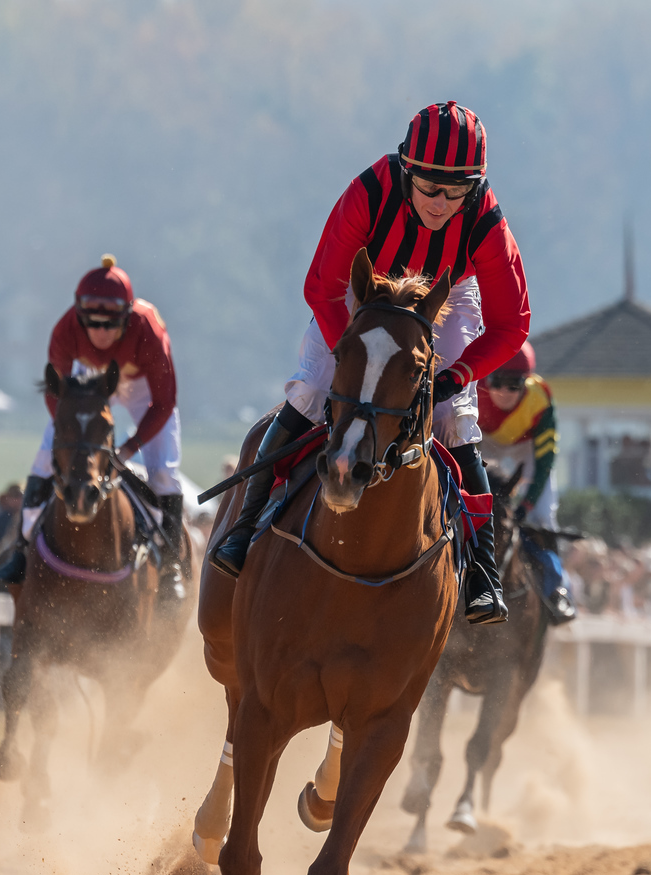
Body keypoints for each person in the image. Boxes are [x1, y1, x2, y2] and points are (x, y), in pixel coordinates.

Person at [211, 101, 530, 625]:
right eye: (429, 187)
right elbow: (322, 286)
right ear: (407, 170)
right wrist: (347, 357)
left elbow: (512, 323)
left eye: (457, 191)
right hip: (366, 290)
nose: (441, 202)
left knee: (455, 419)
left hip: (446, 296)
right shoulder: (370, 191)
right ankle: (243, 528)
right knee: (312, 390)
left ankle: (483, 575)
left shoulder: (486, 221)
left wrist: (456, 376)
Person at [0, 255, 187, 588]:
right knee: (43, 459)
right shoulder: (65, 329)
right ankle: (22, 550)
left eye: (110, 324)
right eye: (92, 323)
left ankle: (170, 566)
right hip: (93, 383)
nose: (100, 331)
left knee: (164, 473)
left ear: (127, 317)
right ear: (79, 316)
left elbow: (165, 403)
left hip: (145, 387)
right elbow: (55, 393)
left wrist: (128, 449)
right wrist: (72, 436)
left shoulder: (149, 330)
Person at [476, 342, 574, 624]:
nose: (505, 392)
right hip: (483, 441)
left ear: (527, 382)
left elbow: (544, 462)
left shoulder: (540, 399)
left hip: (525, 448)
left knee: (543, 517)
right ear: (487, 378)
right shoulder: (471, 389)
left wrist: (526, 504)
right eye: (497, 382)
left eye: (514, 385)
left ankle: (556, 590)